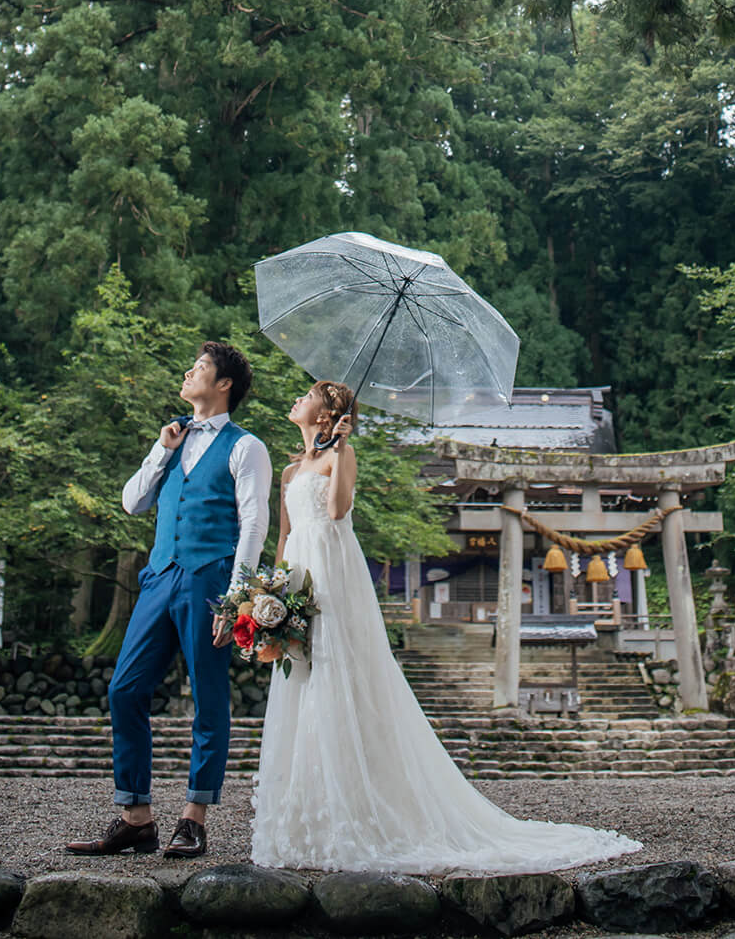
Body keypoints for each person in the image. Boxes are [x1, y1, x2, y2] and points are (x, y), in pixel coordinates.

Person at [250, 380, 641, 873]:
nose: (297, 399)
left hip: (332, 571)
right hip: (299, 575)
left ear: (326, 415)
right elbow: (285, 535)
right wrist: (271, 592)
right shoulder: (288, 470)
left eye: (306, 396)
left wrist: (342, 449)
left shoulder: (340, 457)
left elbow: (337, 511)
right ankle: (306, 815)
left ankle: (354, 812)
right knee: (302, 678)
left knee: (335, 669)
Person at [67, 340, 272, 860]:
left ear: (223, 384)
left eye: (199, 368)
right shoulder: (173, 438)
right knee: (124, 689)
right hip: (159, 578)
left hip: (210, 583)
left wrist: (236, 598)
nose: (188, 372)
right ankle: (136, 818)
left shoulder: (247, 447)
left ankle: (193, 819)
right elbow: (133, 502)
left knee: (208, 698)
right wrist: (160, 450)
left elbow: (254, 523)